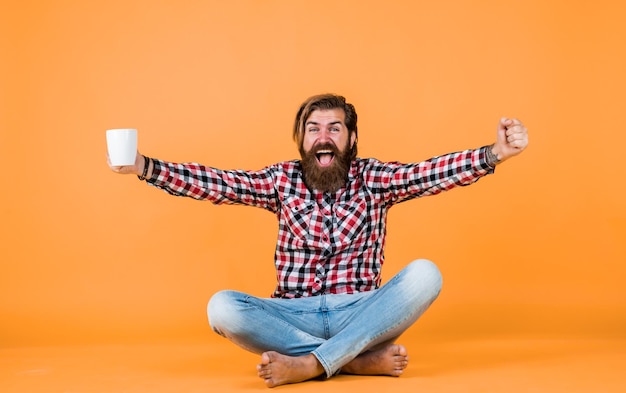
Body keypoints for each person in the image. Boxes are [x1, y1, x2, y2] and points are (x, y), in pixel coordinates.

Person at [108, 93, 528, 388]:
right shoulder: (280, 181)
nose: (323, 137)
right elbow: (219, 183)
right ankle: (355, 360)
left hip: (358, 309)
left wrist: (494, 154)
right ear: (302, 140)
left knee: (426, 274)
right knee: (222, 308)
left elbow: (429, 173)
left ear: (350, 139)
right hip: (291, 314)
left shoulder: (374, 178)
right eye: (313, 129)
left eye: (334, 128)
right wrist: (145, 166)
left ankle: (312, 363)